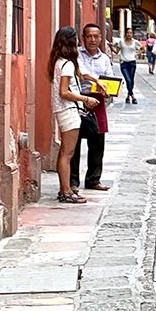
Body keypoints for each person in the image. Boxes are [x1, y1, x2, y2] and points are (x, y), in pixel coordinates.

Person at [47, 26, 97, 205]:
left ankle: (65, 190)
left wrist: (96, 80)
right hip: (68, 109)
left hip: (62, 110)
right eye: (76, 38)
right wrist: (85, 98)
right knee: (67, 154)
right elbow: (64, 92)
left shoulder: (59, 62)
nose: (79, 42)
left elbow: (81, 74)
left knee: (65, 153)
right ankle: (66, 191)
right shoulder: (67, 65)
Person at [71, 23, 114, 192]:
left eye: (96, 36)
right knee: (74, 142)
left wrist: (110, 90)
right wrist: (97, 81)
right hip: (80, 98)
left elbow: (110, 77)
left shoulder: (104, 58)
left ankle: (93, 179)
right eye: (89, 36)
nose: (93, 40)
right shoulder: (77, 56)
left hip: (98, 101)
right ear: (83, 38)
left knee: (98, 141)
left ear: (101, 38)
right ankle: (73, 181)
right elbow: (79, 73)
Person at [119, 28, 140, 103]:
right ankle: (133, 96)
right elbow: (116, 51)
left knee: (131, 80)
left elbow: (142, 48)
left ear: (132, 34)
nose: (129, 34)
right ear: (125, 33)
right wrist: (111, 47)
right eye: (128, 33)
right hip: (124, 63)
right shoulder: (121, 42)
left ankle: (128, 96)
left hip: (132, 63)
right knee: (128, 79)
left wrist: (137, 54)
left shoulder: (135, 42)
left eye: (131, 33)